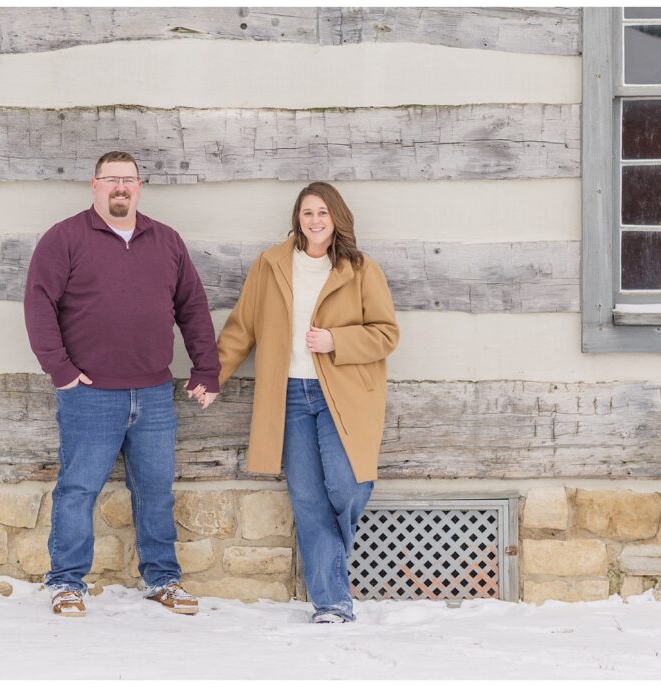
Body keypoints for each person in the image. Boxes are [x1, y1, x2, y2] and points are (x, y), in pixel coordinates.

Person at [23, 151, 221, 617]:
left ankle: (162, 579)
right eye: (110, 180)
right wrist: (62, 370)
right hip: (89, 394)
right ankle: (67, 582)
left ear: (139, 187)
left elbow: (192, 308)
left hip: (154, 393)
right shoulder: (65, 239)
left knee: (156, 490)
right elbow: (38, 306)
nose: (119, 188)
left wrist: (205, 369)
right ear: (93, 185)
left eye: (127, 180)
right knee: (78, 489)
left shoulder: (165, 240)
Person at [199, 181, 399, 623]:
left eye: (323, 213)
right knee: (307, 500)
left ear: (337, 218)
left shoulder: (361, 269)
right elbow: (242, 328)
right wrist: (211, 375)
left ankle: (328, 561)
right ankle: (332, 602)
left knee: (346, 485)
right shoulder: (271, 265)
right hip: (288, 394)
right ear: (298, 218)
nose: (314, 220)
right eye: (307, 212)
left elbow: (386, 334)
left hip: (340, 395)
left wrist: (335, 340)